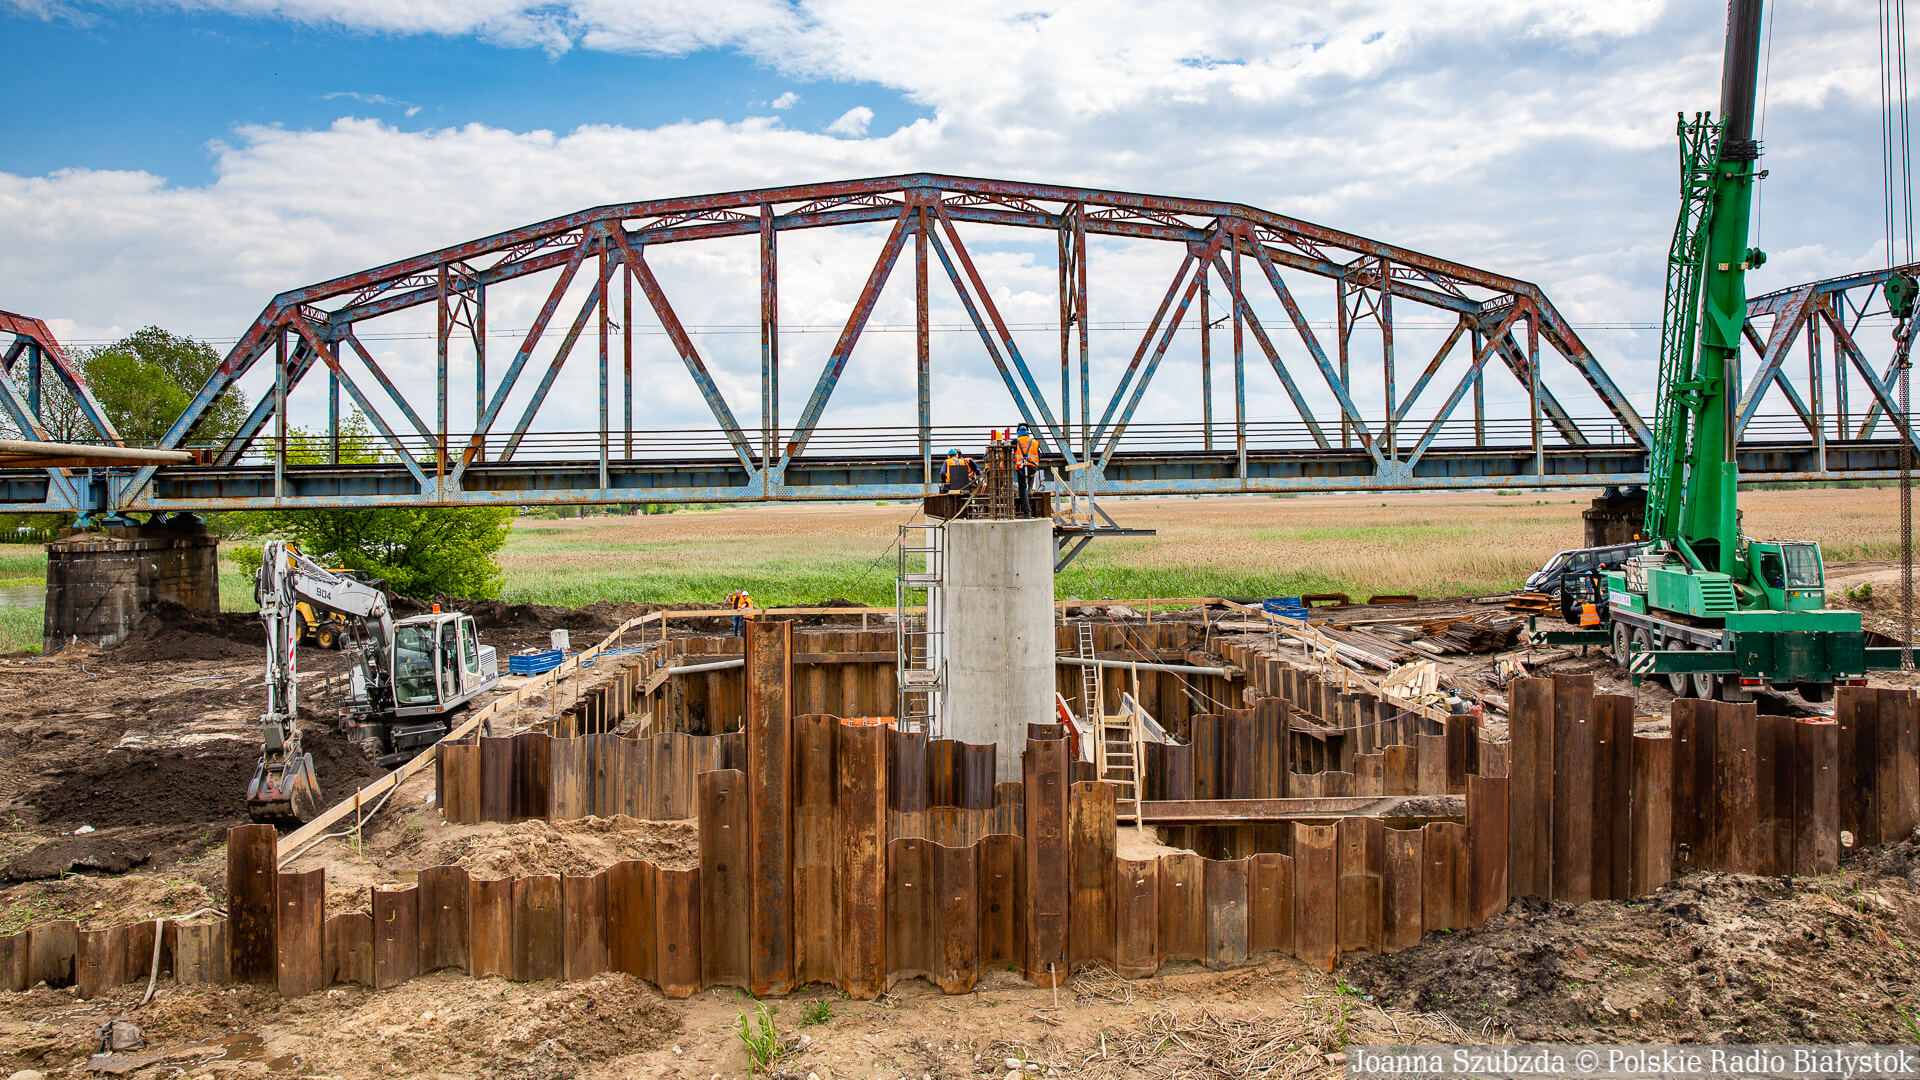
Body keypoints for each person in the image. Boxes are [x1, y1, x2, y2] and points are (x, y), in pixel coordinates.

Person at [1013, 423, 1041, 516]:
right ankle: (1030, 488)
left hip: (1021, 468)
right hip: (1032, 467)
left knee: (1022, 488)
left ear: (1018, 432)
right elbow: (1039, 455)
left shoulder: (1016, 441)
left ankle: (1027, 511)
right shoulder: (1035, 442)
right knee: (1031, 474)